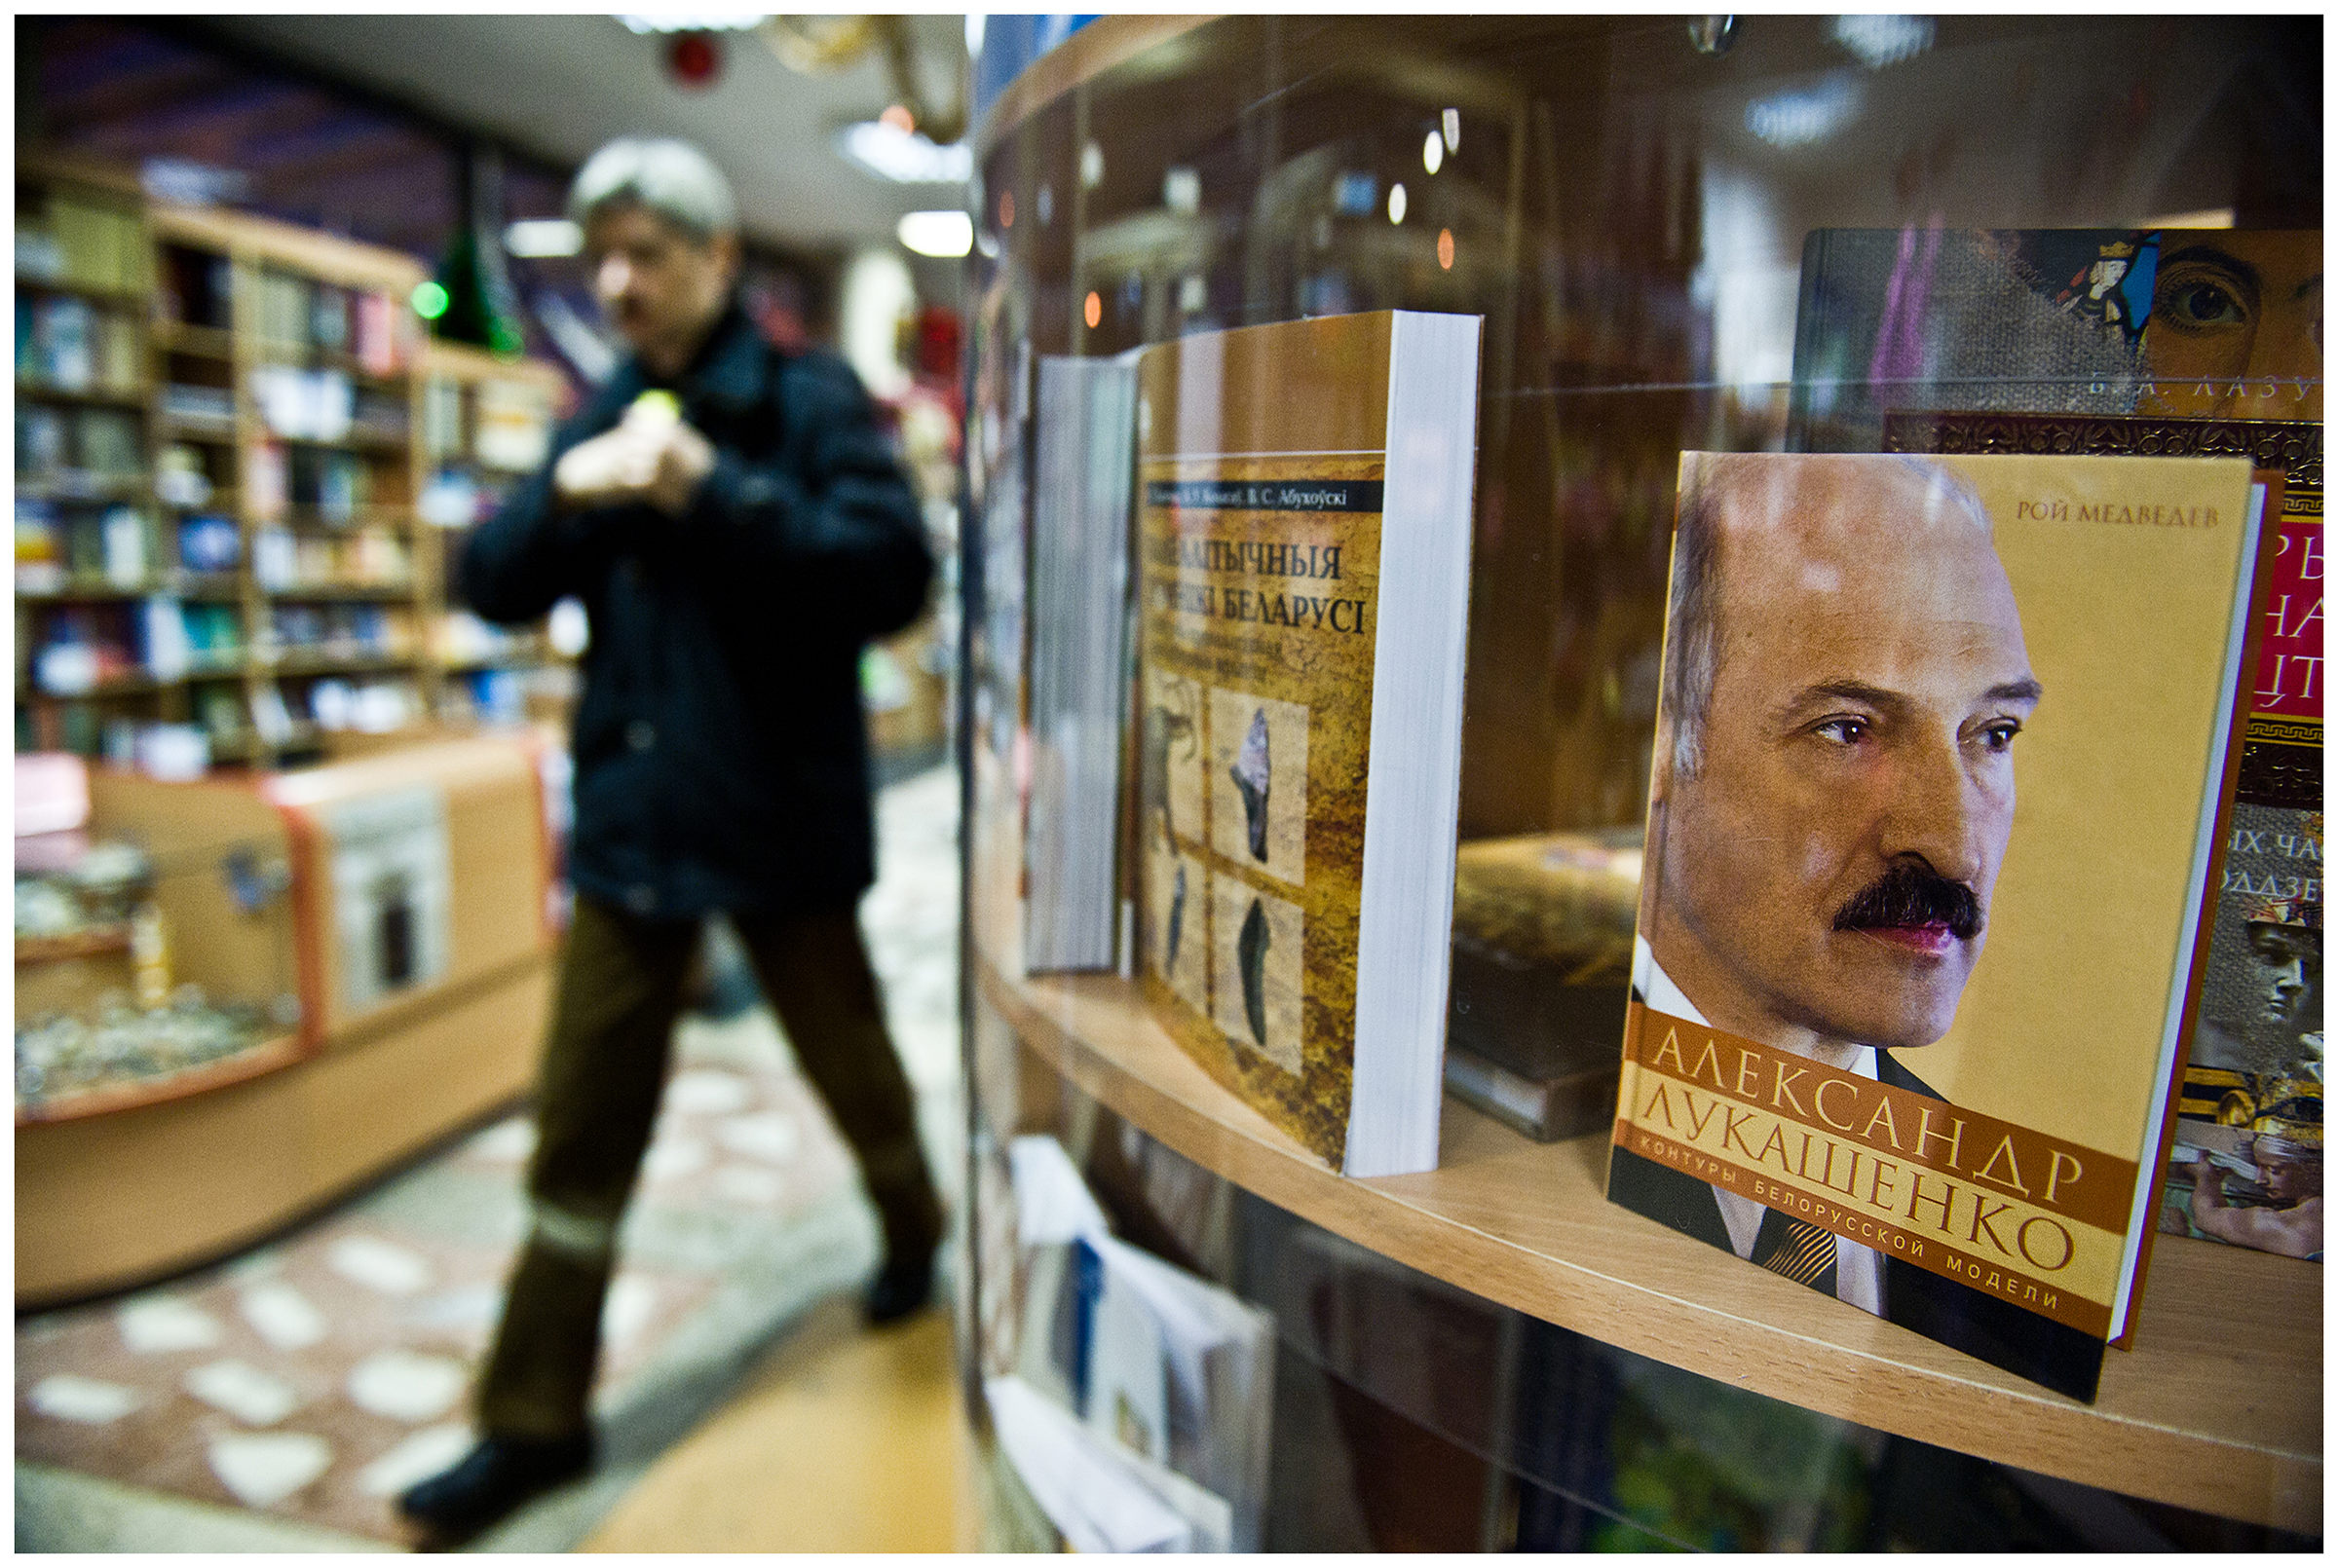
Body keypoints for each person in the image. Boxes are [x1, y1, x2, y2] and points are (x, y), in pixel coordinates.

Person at [397, 137, 944, 1543]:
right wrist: (574, 487)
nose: (618, 282)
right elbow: (495, 582)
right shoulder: (602, 405)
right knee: (579, 1135)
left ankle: (912, 1226)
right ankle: (530, 1422)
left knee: (856, 1069)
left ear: (718, 259)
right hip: (638, 835)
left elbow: (889, 577)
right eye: (604, 257)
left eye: (647, 253)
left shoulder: (808, 400)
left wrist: (710, 486)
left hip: (779, 828)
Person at [1609, 453, 2103, 1398]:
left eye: (1992, 733)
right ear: (1662, 741)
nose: (1950, 843)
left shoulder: (2016, 1242)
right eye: (1849, 728)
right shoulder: (1559, 1111)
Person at [2192, 1125, 2324, 1260]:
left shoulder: (2285, 1226)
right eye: (2259, 1167)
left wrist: (2205, 1177)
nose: (2259, 1180)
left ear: (2310, 1170)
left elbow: (2205, 1217)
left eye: (2274, 1170)